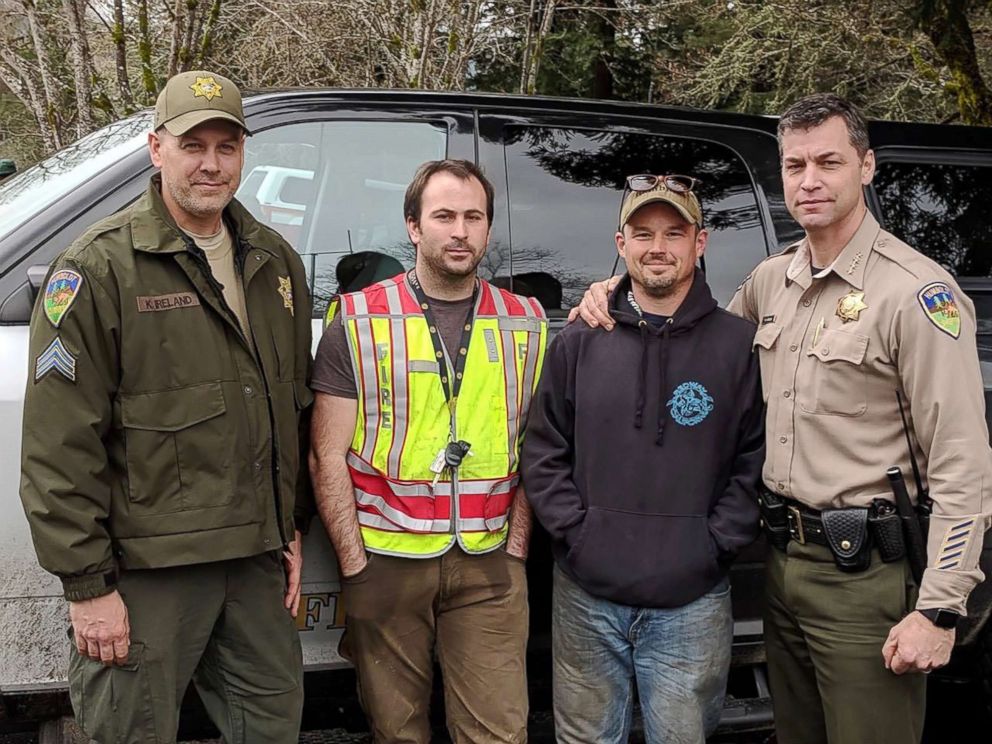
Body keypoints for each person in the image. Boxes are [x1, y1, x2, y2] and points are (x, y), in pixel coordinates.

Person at [572, 94, 992, 744]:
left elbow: (964, 467)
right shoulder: (774, 281)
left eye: (829, 161)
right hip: (784, 564)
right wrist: (614, 291)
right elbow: (688, 331)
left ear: (868, 166)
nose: (809, 180)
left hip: (866, 579)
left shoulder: (916, 295)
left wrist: (939, 609)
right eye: (795, 165)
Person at [19, 70, 313, 743]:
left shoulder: (274, 264)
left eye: (227, 146)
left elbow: (288, 407)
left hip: (254, 564)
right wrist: (87, 587)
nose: (211, 164)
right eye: (193, 145)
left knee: (272, 727)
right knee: (130, 731)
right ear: (156, 149)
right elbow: (59, 447)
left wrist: (288, 522)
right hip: (147, 574)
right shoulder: (97, 269)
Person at [309, 159, 547, 743]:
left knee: (498, 734)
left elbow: (534, 449)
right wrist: (355, 569)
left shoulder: (526, 323)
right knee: (399, 734)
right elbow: (326, 455)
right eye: (444, 216)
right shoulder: (360, 320)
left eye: (474, 217)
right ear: (414, 227)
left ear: (489, 228)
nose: (460, 231)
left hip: (489, 564)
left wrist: (515, 552)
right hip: (386, 562)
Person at [522, 176, 763, 743]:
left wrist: (712, 545)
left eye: (674, 233)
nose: (658, 246)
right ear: (621, 242)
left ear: (699, 244)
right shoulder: (581, 338)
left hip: (692, 602)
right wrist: (577, 536)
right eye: (643, 233)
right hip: (587, 596)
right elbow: (543, 448)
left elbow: (755, 458)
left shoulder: (737, 345)